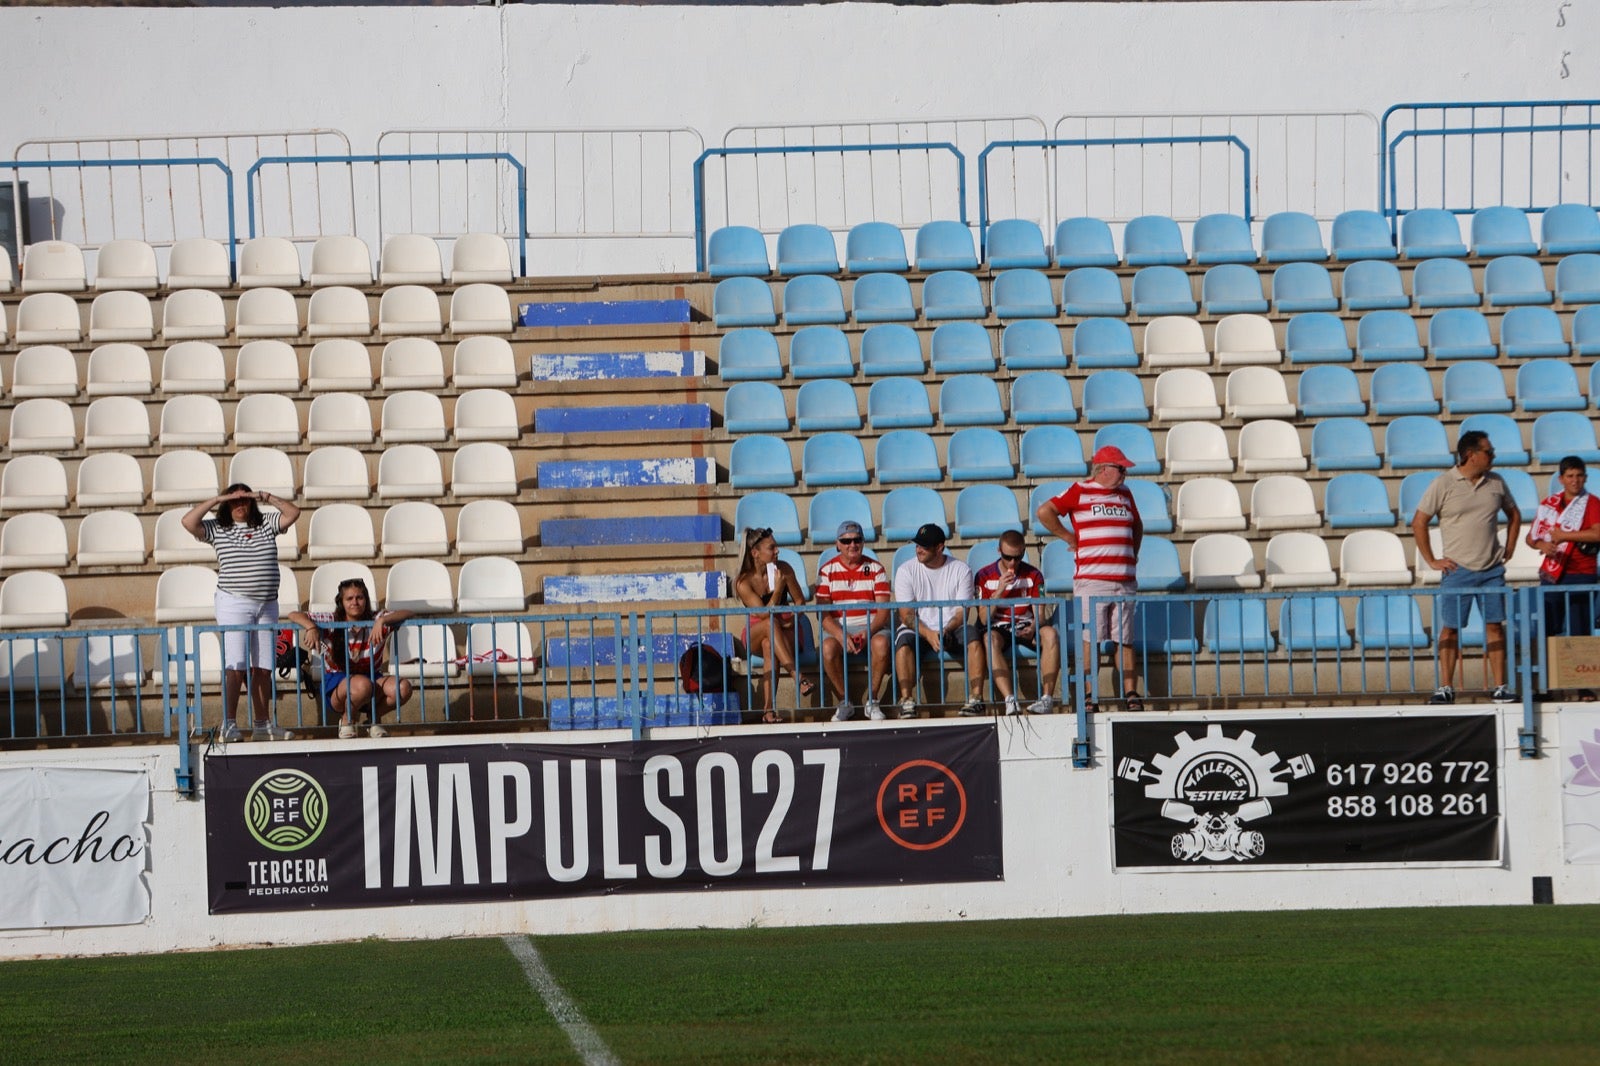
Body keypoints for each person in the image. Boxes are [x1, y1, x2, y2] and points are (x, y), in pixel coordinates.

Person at [181, 482, 301, 741]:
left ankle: (262, 725)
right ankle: (230, 725)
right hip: (234, 602)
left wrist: (264, 495)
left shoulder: (266, 522)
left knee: (264, 667)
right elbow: (188, 522)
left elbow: (293, 513)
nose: (239, 504)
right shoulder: (217, 527)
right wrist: (217, 499)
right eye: (234, 501)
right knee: (235, 666)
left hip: (267, 603)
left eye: (244, 499)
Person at [1411, 429, 1520, 704]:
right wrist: (1432, 560)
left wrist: (1510, 546)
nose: (1493, 456)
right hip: (1457, 569)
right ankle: (1445, 687)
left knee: (1495, 626)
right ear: (1471, 455)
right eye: (1489, 452)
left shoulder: (1496, 482)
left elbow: (1514, 514)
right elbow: (1419, 521)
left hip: (1491, 569)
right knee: (1450, 628)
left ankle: (1500, 686)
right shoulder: (1444, 483)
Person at [1035, 445, 1144, 712]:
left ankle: (1131, 693)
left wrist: (1132, 555)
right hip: (1092, 580)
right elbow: (1045, 511)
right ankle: (1089, 695)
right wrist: (1068, 537)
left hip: (1124, 580)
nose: (1125, 474)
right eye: (1121, 468)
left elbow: (1137, 526)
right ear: (1104, 469)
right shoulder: (1080, 490)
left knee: (1125, 639)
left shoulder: (1125, 493)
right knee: (1090, 639)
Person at [287, 578, 414, 738]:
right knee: (362, 685)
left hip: (372, 680)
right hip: (338, 685)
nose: (355, 602)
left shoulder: (376, 620)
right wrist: (311, 627)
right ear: (341, 602)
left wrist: (382, 620)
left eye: (359, 597)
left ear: (366, 600)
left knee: (403, 688)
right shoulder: (332, 620)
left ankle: (373, 720)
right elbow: (293, 614)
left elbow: (409, 613)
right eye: (349, 598)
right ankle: (347, 720)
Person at [1526, 455, 1600, 700]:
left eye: (1579, 476)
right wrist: (1541, 544)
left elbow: (1597, 534)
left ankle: (1583, 686)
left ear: (1585, 478)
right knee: (1547, 630)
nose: (1575, 480)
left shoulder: (1592, 503)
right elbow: (1531, 537)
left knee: (1580, 631)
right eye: (1570, 476)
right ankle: (1546, 687)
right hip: (1552, 573)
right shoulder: (1550, 504)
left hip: (1581, 573)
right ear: (1561, 479)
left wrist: (1565, 536)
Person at [892, 523, 985, 718]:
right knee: (903, 641)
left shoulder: (961, 569)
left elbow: (961, 614)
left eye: (924, 546)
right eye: (917, 545)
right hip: (919, 628)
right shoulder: (905, 570)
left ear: (940, 547)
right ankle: (906, 700)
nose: (919, 549)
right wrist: (928, 633)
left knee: (973, 636)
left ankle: (977, 698)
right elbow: (906, 615)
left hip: (950, 627)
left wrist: (945, 629)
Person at [975, 529, 1059, 715]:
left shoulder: (1034, 574)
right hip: (999, 627)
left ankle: (1047, 699)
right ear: (999, 551)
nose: (1013, 562)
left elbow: (1040, 615)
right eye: (1008, 557)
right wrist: (1000, 590)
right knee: (989, 638)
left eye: (1018, 557)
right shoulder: (984, 575)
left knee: (1051, 634)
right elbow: (983, 618)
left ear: (1023, 552)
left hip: (1026, 624)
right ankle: (1010, 700)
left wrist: (1033, 627)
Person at [733, 526, 812, 723]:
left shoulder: (784, 569)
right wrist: (777, 591)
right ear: (755, 553)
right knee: (769, 623)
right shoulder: (743, 582)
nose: (777, 551)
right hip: (756, 630)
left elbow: (800, 602)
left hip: (787, 628)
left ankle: (768, 711)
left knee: (770, 644)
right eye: (771, 547)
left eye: (776, 547)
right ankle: (797, 677)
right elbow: (763, 614)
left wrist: (792, 620)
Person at [816, 520, 892, 722]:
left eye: (857, 540)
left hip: (871, 625)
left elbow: (883, 611)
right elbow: (823, 614)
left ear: (863, 542)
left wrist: (867, 631)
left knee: (881, 643)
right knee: (827, 648)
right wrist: (841, 635)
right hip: (839, 626)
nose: (852, 545)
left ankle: (873, 700)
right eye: (846, 541)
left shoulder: (875, 568)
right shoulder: (826, 570)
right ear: (837, 544)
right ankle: (845, 702)